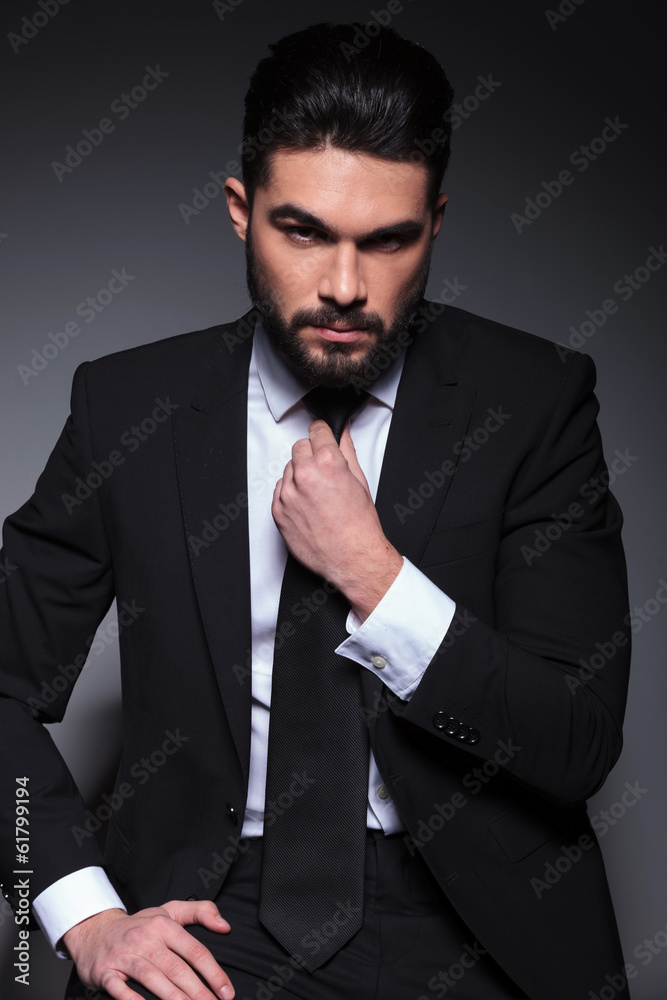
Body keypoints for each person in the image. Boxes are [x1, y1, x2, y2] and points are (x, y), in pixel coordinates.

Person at [0, 21, 632, 1000]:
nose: (344, 286)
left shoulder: (533, 402)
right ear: (240, 211)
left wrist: (374, 576)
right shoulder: (129, 409)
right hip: (211, 913)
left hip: (476, 919)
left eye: (388, 240)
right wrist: (81, 913)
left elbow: (576, 739)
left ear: (435, 223)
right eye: (304, 232)